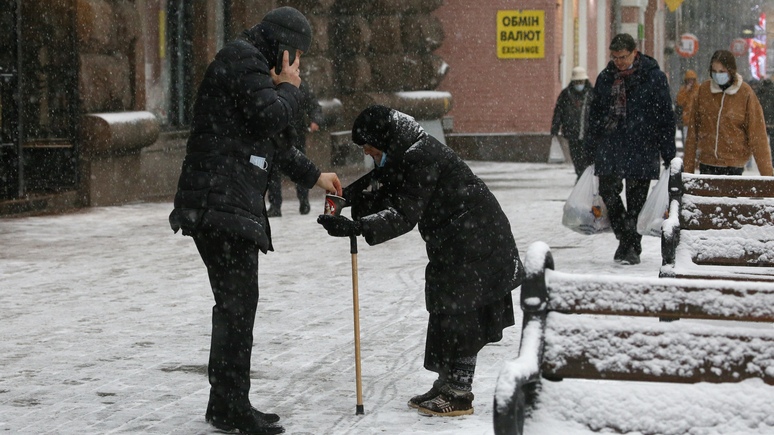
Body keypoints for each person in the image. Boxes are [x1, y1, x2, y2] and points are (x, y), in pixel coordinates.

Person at [168, 7, 342, 435]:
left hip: (225, 202)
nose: (297, 63)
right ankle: (230, 405)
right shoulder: (242, 59)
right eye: (296, 54)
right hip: (219, 202)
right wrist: (291, 89)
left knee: (236, 307)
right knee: (237, 308)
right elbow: (272, 117)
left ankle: (225, 402)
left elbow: (275, 144)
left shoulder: (252, 67)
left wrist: (315, 176)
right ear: (283, 47)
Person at [317, 105, 523, 417]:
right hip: (457, 241)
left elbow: (403, 213)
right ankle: (446, 383)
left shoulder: (419, 154)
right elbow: (384, 182)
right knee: (445, 305)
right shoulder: (405, 148)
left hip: (478, 241)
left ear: (383, 140)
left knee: (462, 311)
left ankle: (459, 392)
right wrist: (347, 196)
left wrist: (357, 227)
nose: (372, 156)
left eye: (372, 150)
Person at [586, 33, 676, 265]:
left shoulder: (653, 77)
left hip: (642, 145)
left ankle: (630, 247)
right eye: (614, 57)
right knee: (608, 191)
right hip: (611, 144)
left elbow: (665, 116)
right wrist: (591, 146)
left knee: (636, 200)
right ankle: (627, 239)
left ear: (635, 52)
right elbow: (594, 114)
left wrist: (668, 151)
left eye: (623, 57)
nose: (619, 61)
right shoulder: (606, 78)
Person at [684, 50, 773, 176]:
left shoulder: (745, 93)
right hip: (707, 163)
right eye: (714, 71)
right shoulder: (703, 91)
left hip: (734, 165)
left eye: (721, 71)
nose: (717, 75)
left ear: (731, 71)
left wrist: (767, 176)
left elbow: (758, 137)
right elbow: (692, 134)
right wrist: (688, 171)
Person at [266, 80, 324, 217]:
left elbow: (312, 104)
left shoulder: (298, 84)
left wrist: (315, 119)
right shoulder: (269, 84)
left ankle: (303, 201)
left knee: (298, 165)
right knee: (273, 171)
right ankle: (275, 205)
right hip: (276, 134)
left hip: (294, 133)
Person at [551, 66, 594, 179]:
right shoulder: (566, 94)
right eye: (577, 82)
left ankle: (583, 180)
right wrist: (555, 128)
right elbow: (558, 112)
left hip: (588, 134)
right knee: (576, 159)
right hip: (572, 134)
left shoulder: (592, 94)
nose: (579, 84)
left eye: (581, 81)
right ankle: (580, 178)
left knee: (586, 160)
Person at [754, 76, 774, 162]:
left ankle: (762, 161)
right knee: (772, 145)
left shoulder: (758, 91)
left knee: (761, 145)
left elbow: (755, 107)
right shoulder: (772, 91)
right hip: (772, 123)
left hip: (761, 122)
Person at [675, 69, 699, 141]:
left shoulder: (698, 89)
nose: (691, 82)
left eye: (692, 80)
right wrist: (686, 92)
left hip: (696, 121)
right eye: (689, 80)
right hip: (686, 121)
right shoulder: (683, 91)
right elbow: (679, 102)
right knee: (686, 140)